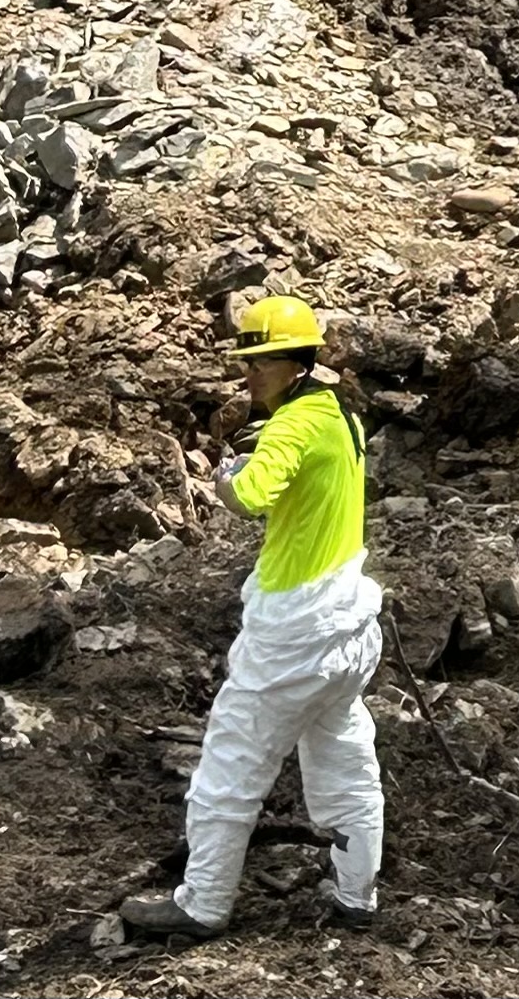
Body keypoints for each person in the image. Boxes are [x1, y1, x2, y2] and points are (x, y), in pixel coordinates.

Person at [122, 296, 384, 939]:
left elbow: (247, 496)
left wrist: (228, 473)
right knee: (345, 761)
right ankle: (357, 896)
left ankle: (203, 904)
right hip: (348, 625)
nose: (251, 374)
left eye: (263, 361)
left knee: (229, 767)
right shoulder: (340, 415)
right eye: (249, 362)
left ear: (297, 361)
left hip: (294, 633)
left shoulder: (292, 425)